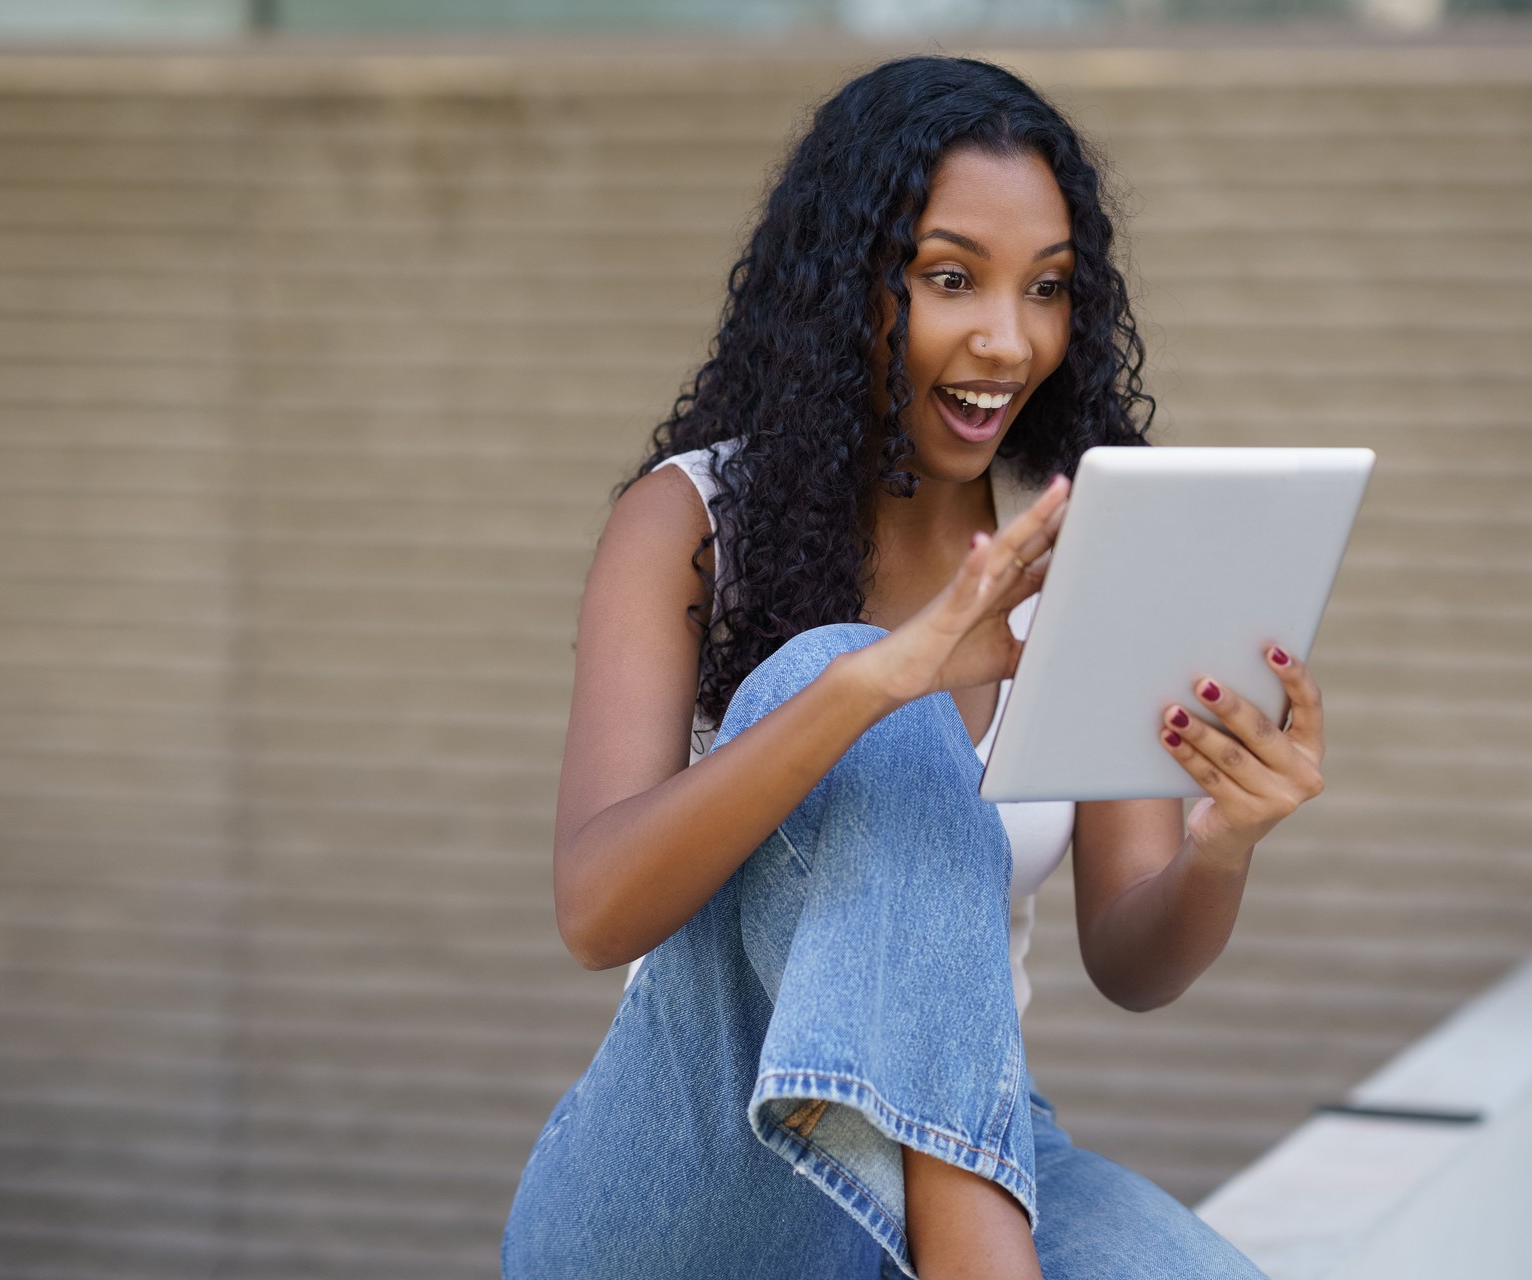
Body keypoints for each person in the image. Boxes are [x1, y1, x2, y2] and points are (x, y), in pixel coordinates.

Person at [501, 55, 1325, 1280]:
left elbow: (1131, 958)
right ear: (845, 288)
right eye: (951, 278)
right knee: (845, 684)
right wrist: (877, 683)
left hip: (970, 1134)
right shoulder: (690, 523)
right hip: (697, 1178)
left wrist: (1223, 841)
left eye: (1047, 287)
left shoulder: (1076, 539)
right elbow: (595, 906)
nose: (1008, 338)